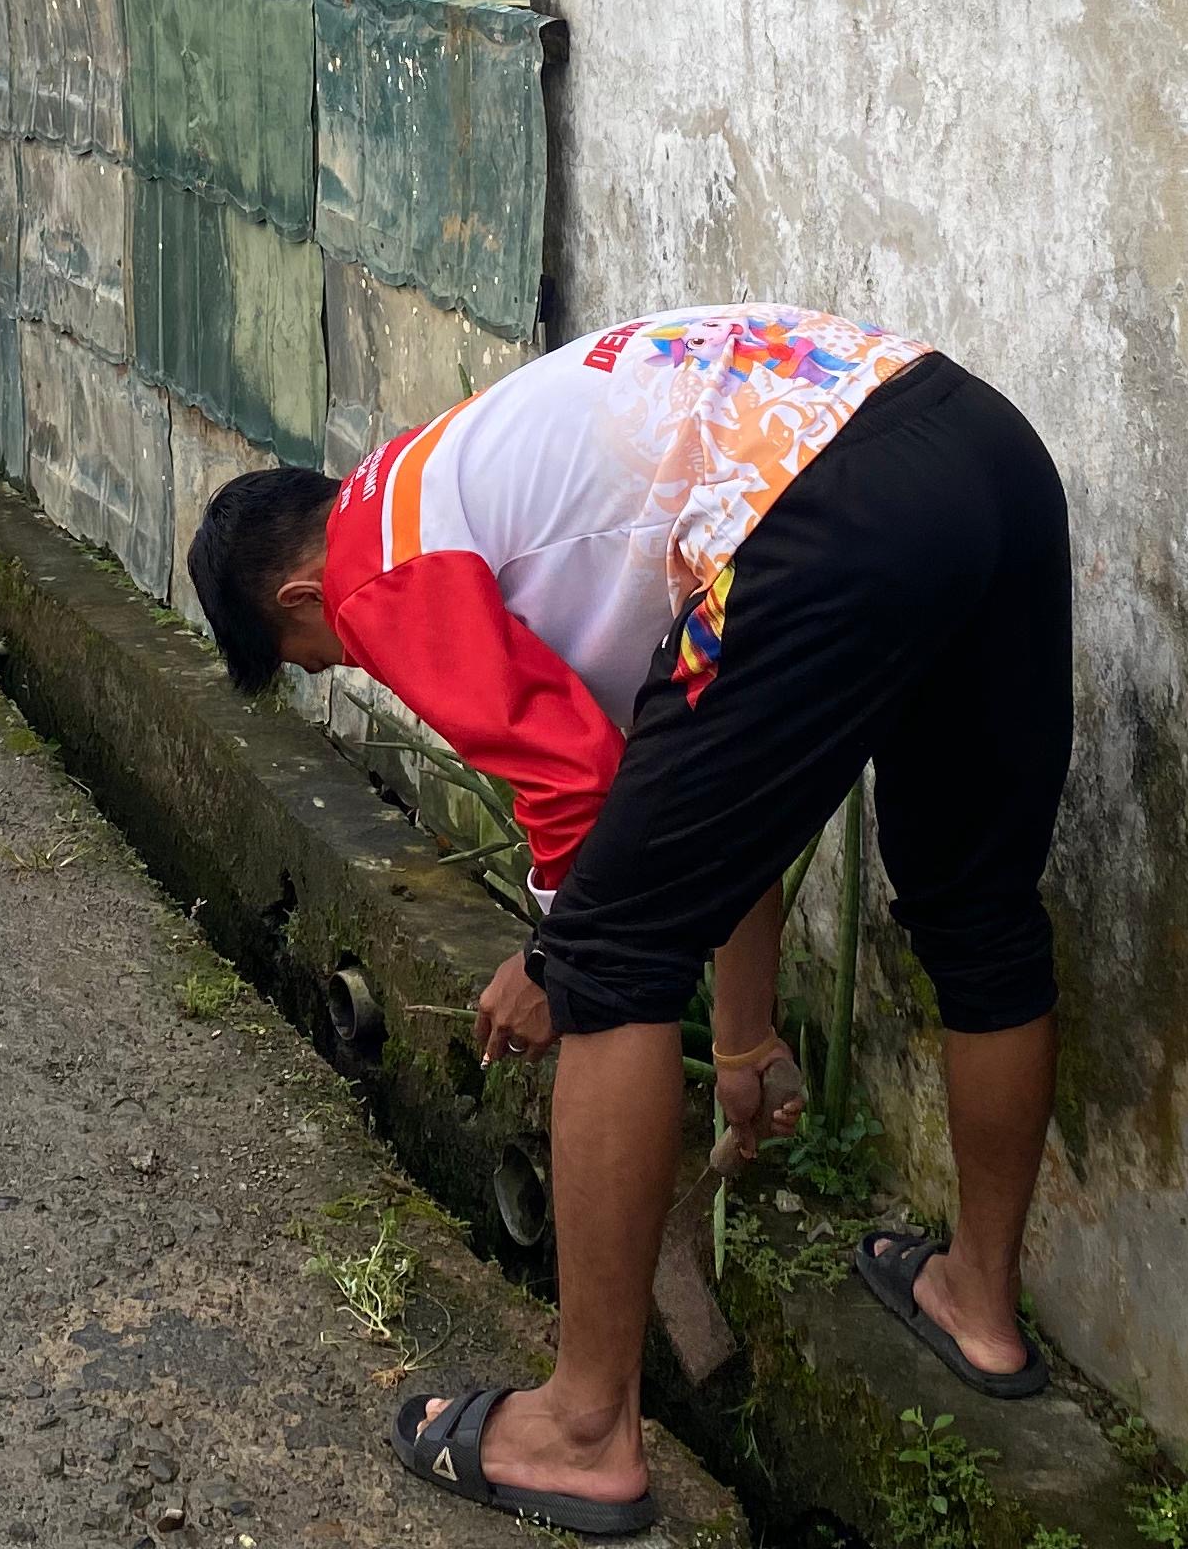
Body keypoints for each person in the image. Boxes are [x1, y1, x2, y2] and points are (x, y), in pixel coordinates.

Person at [187, 308, 1073, 1538]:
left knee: (608, 958)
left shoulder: (377, 567)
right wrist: (748, 1040)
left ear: (297, 592)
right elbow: (703, 792)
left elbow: (574, 791)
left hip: (818, 503)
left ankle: (587, 1428)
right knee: (978, 913)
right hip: (972, 444)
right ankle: (977, 1303)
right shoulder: (469, 479)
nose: (357, 660)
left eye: (316, 654)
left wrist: (557, 952)